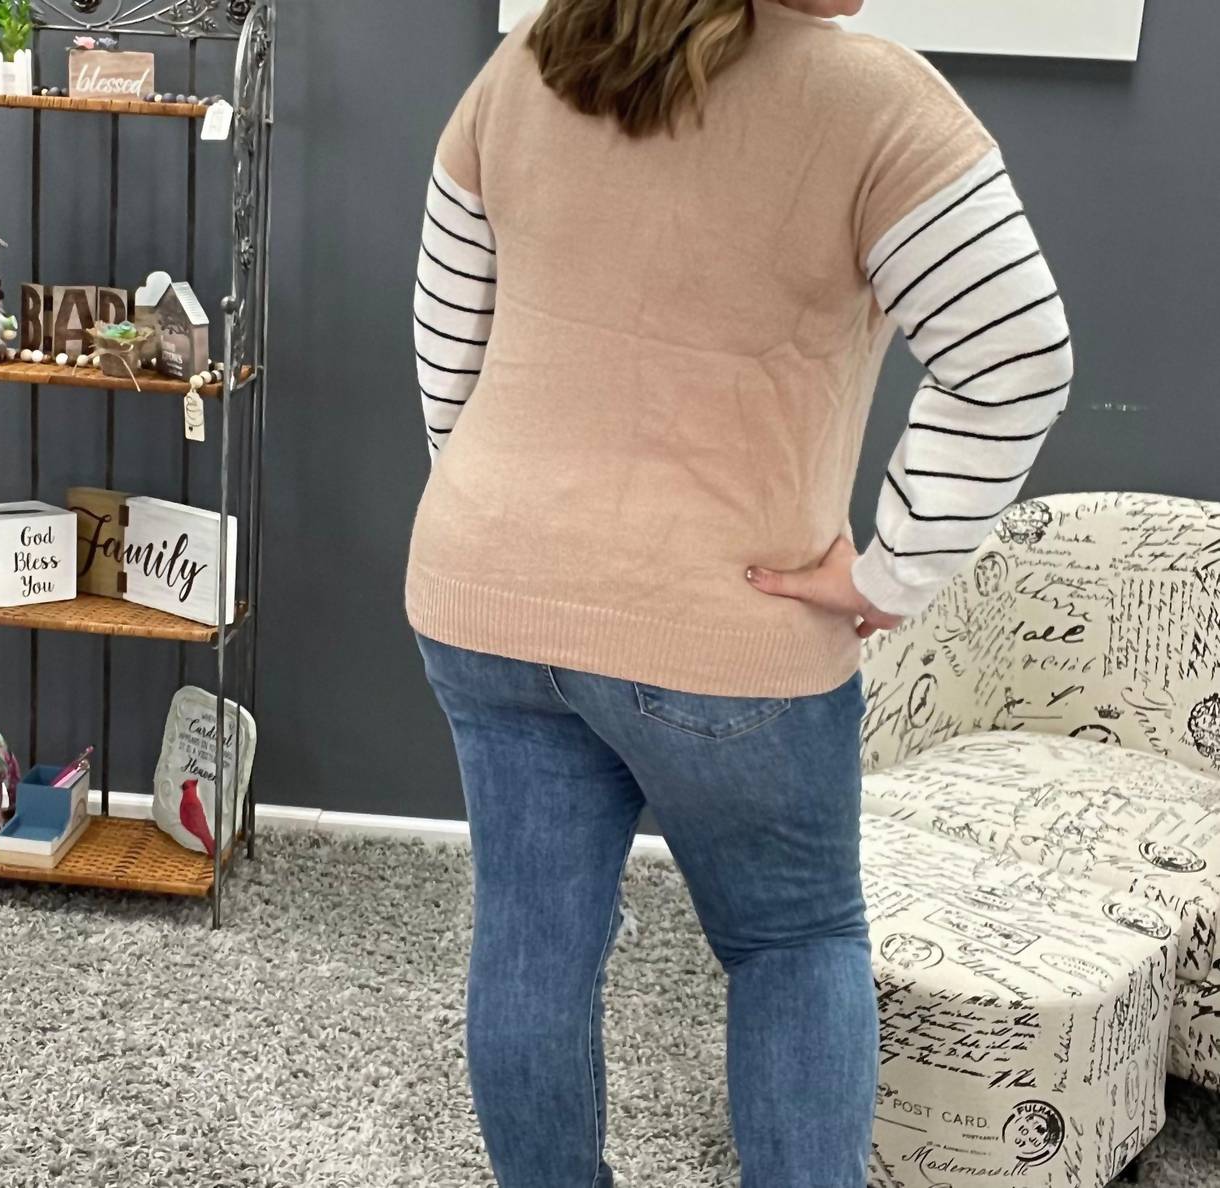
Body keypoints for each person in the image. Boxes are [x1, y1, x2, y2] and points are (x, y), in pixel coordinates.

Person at [404, 1, 1072, 1185]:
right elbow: (1017, 357)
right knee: (794, 943)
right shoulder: (875, 104)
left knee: (531, 942)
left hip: (486, 597)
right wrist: (891, 571)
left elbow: (450, 334)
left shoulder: (530, 64)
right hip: (726, 630)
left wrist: (507, 522)